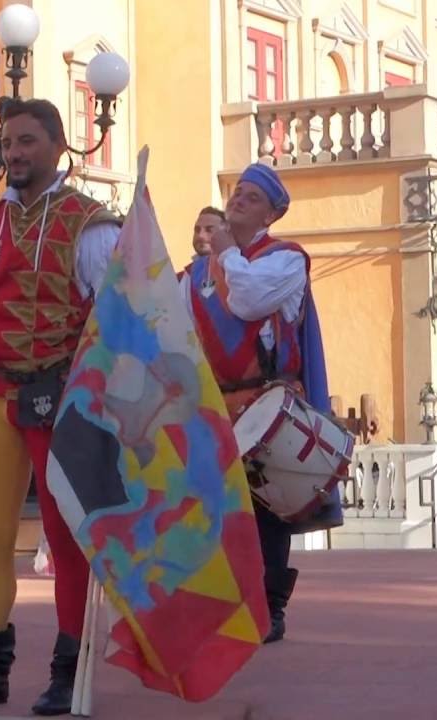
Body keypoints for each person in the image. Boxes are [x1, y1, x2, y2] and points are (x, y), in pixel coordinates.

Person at [0, 98, 123, 716]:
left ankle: (68, 671)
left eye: (27, 141)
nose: (13, 152)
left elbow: (121, 318)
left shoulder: (93, 226)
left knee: (66, 540)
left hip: (62, 396)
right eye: (8, 142)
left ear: (59, 146)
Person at [181, 163, 331, 645]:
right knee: (217, 510)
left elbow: (246, 302)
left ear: (272, 212)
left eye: (251, 196)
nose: (239, 199)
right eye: (237, 192)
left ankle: (270, 607)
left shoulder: (286, 260)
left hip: (269, 400)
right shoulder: (194, 275)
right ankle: (225, 603)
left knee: (269, 510)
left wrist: (224, 253)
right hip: (215, 405)